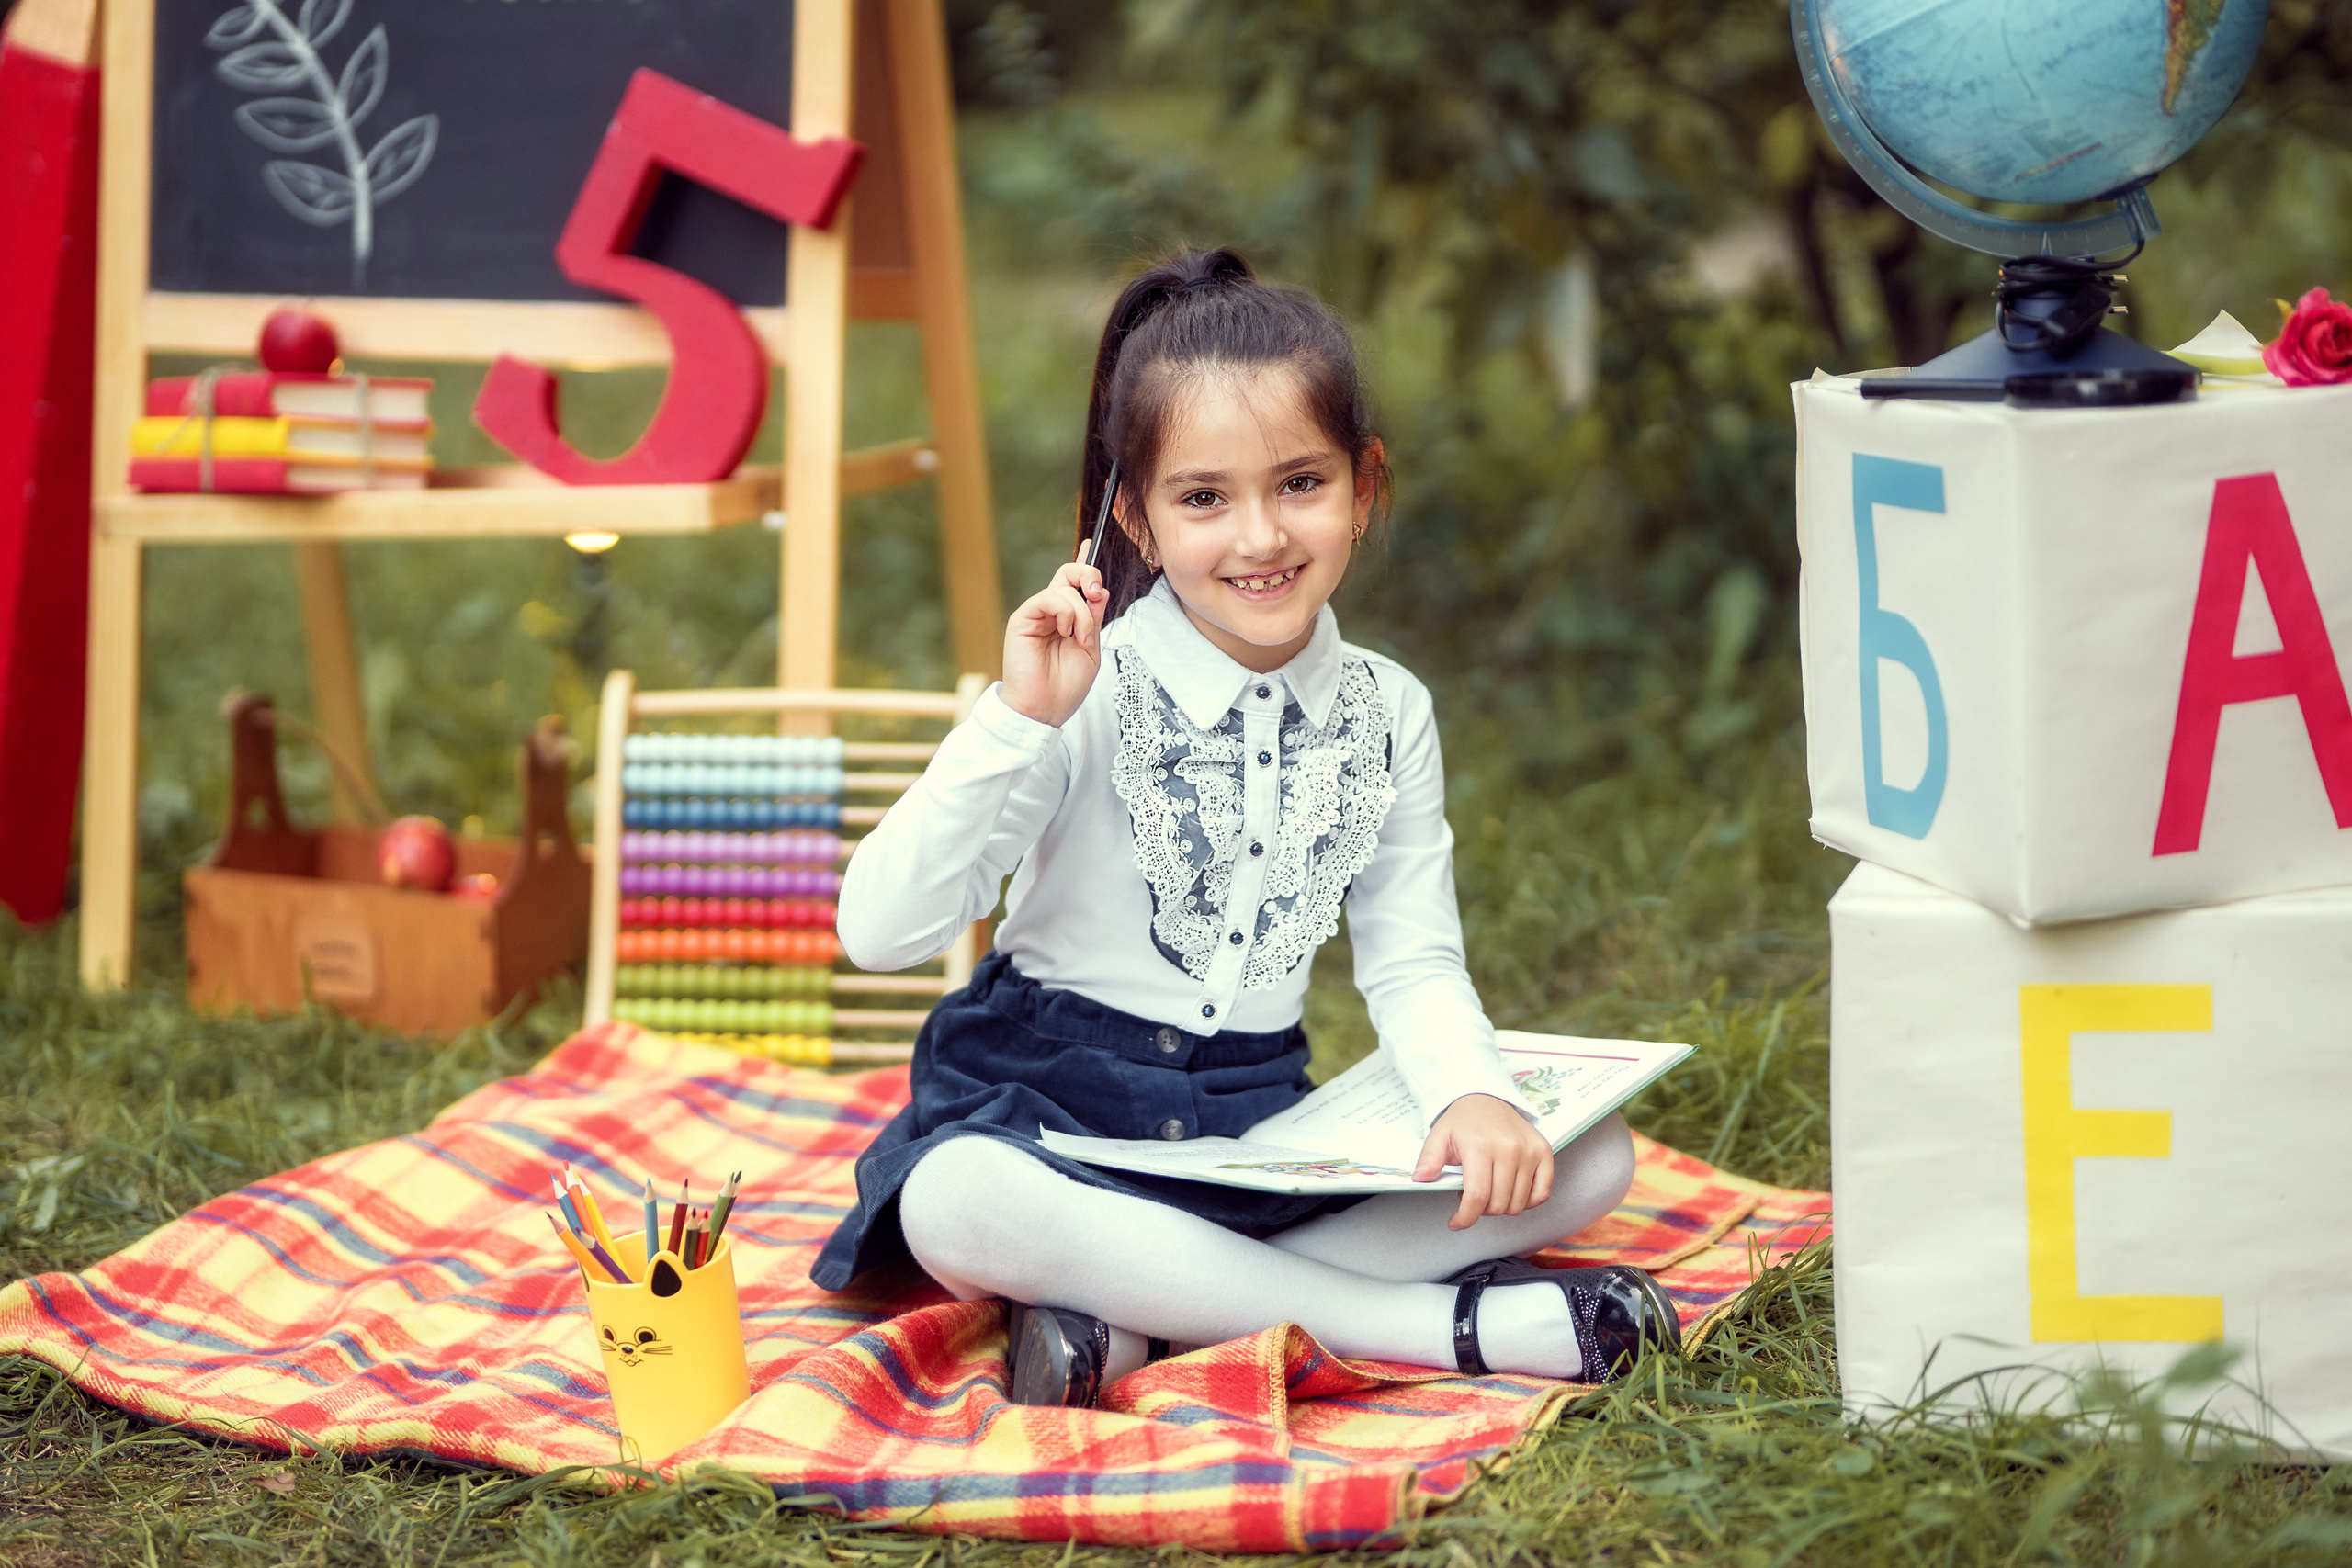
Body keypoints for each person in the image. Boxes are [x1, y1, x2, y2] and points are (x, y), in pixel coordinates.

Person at [809, 247, 1677, 1405]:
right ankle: (1436, 1331)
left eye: (1300, 484)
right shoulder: (1080, 688)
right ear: (1137, 515)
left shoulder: (1388, 710)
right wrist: (1017, 719)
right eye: (1203, 497)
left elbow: (1414, 960)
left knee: (1585, 1155)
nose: (1260, 537)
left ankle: (1145, 1314)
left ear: (1365, 487)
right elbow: (878, 931)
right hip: (1050, 1116)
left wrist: (1473, 1095)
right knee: (953, 1201)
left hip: (1253, 1127)